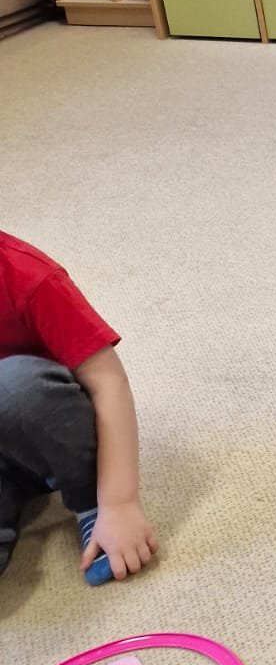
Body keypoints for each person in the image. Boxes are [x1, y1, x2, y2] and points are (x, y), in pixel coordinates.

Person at [0, 231, 157, 585]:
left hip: (47, 429)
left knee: (14, 387)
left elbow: (109, 382)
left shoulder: (28, 277)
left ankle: (92, 504)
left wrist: (119, 503)